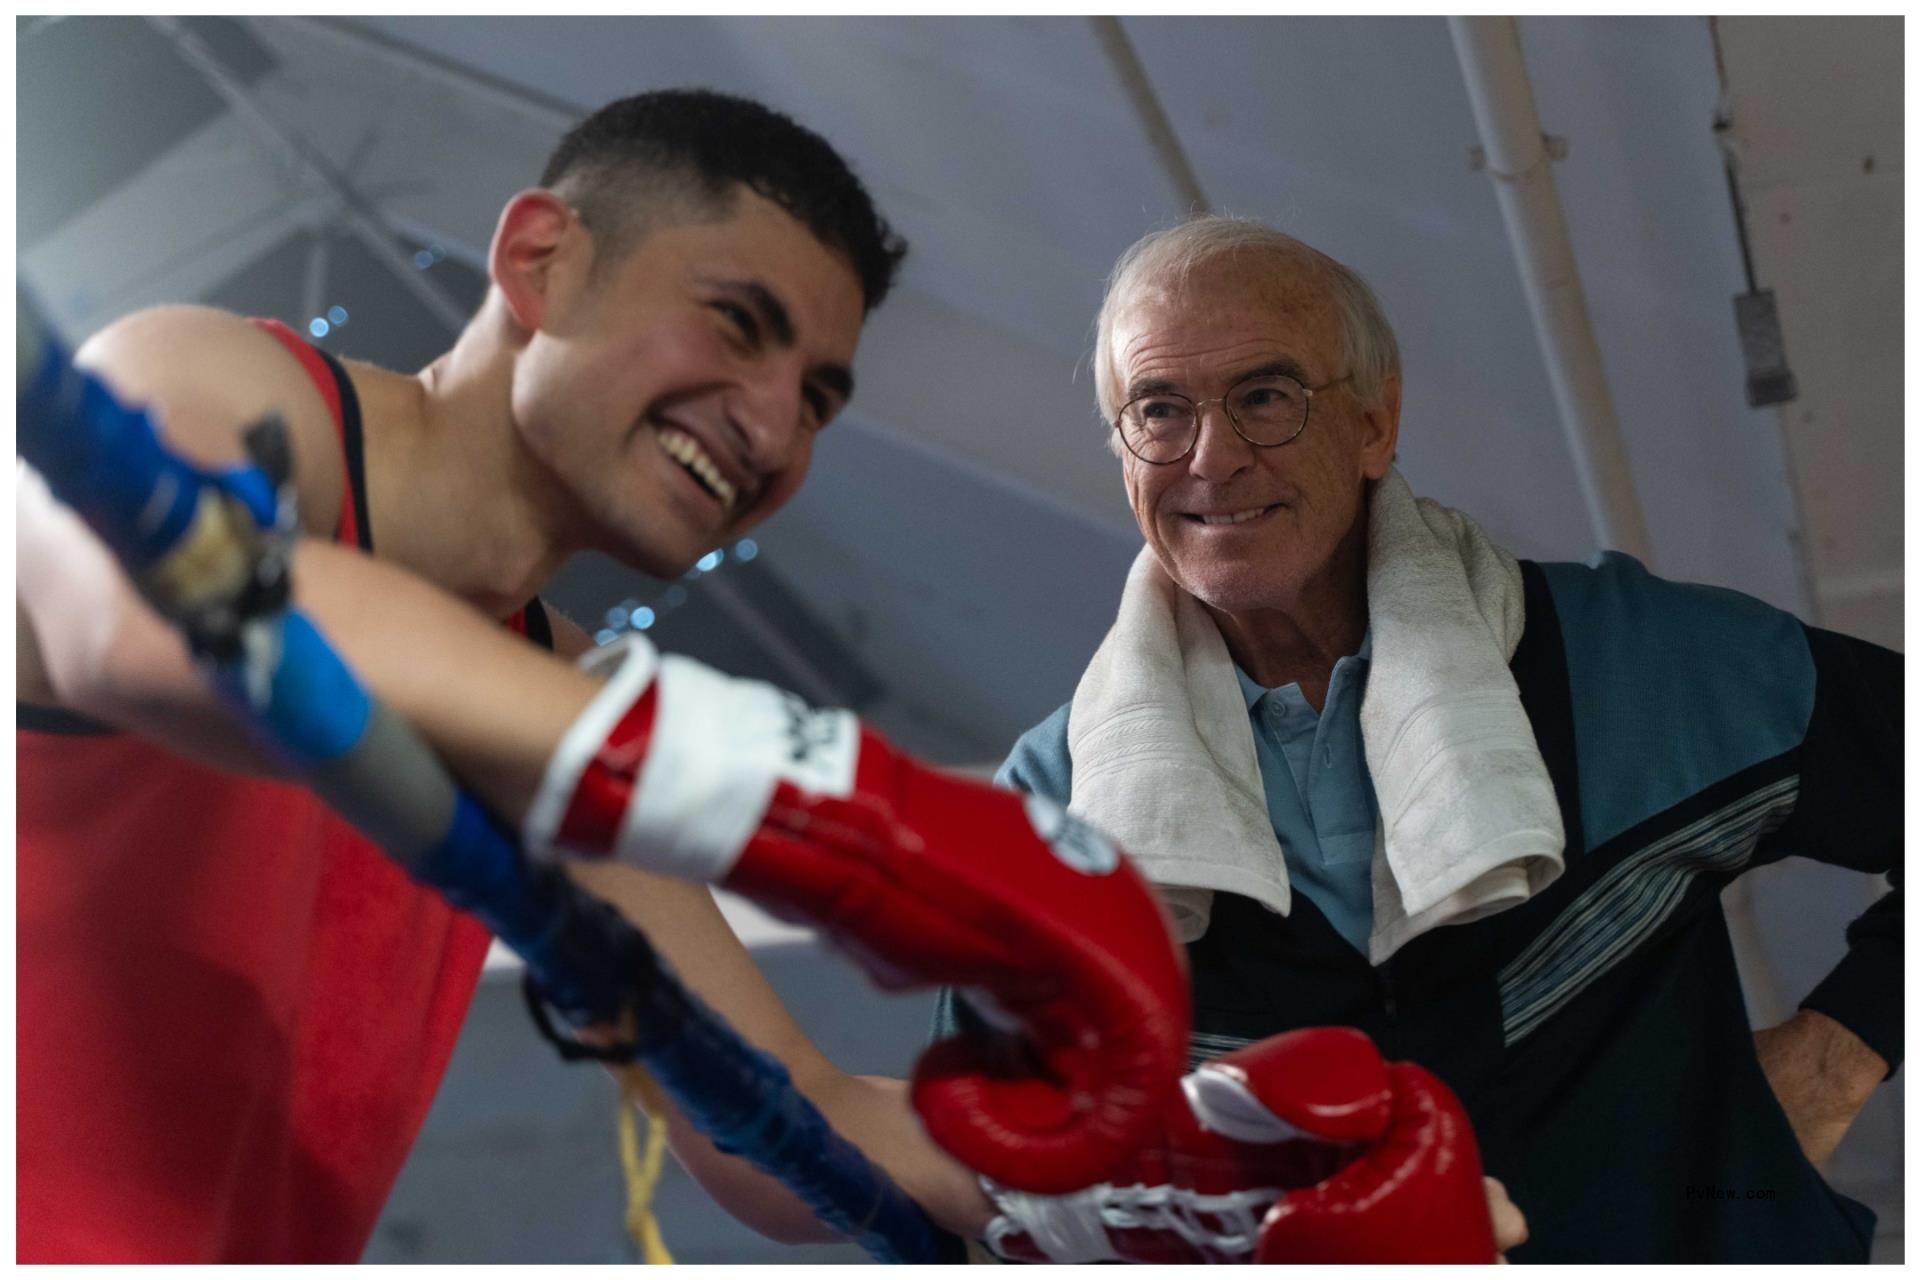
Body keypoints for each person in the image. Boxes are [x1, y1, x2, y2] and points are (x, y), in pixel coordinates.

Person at [19, 87, 1190, 1263]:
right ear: (540, 263)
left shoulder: (550, 695)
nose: (775, 431)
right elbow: (154, 612)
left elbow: (795, 1115)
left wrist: (1171, 1181)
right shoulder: (230, 388)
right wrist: (837, 794)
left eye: (819, 399)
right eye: (737, 324)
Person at [927, 215, 1901, 1263]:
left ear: (1376, 422)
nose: (1211, 457)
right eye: (1159, 410)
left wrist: (1838, 1053)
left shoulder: (1634, 662)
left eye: (1264, 397)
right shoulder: (1050, 809)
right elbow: (992, 1197)